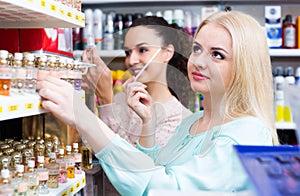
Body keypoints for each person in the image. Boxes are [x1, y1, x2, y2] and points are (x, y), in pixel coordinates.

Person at [37, 10, 279, 195]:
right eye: (197, 49)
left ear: (245, 66)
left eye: (217, 54)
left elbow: (162, 187)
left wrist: (85, 118)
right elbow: (155, 167)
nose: (199, 62)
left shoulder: (246, 133)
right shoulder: (194, 123)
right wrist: (148, 127)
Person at [81, 16, 193, 147]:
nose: (131, 60)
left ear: (167, 53)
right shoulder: (121, 100)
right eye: (128, 52)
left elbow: (134, 164)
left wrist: (106, 100)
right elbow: (94, 145)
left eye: (143, 50)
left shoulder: (179, 119)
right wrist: (90, 93)